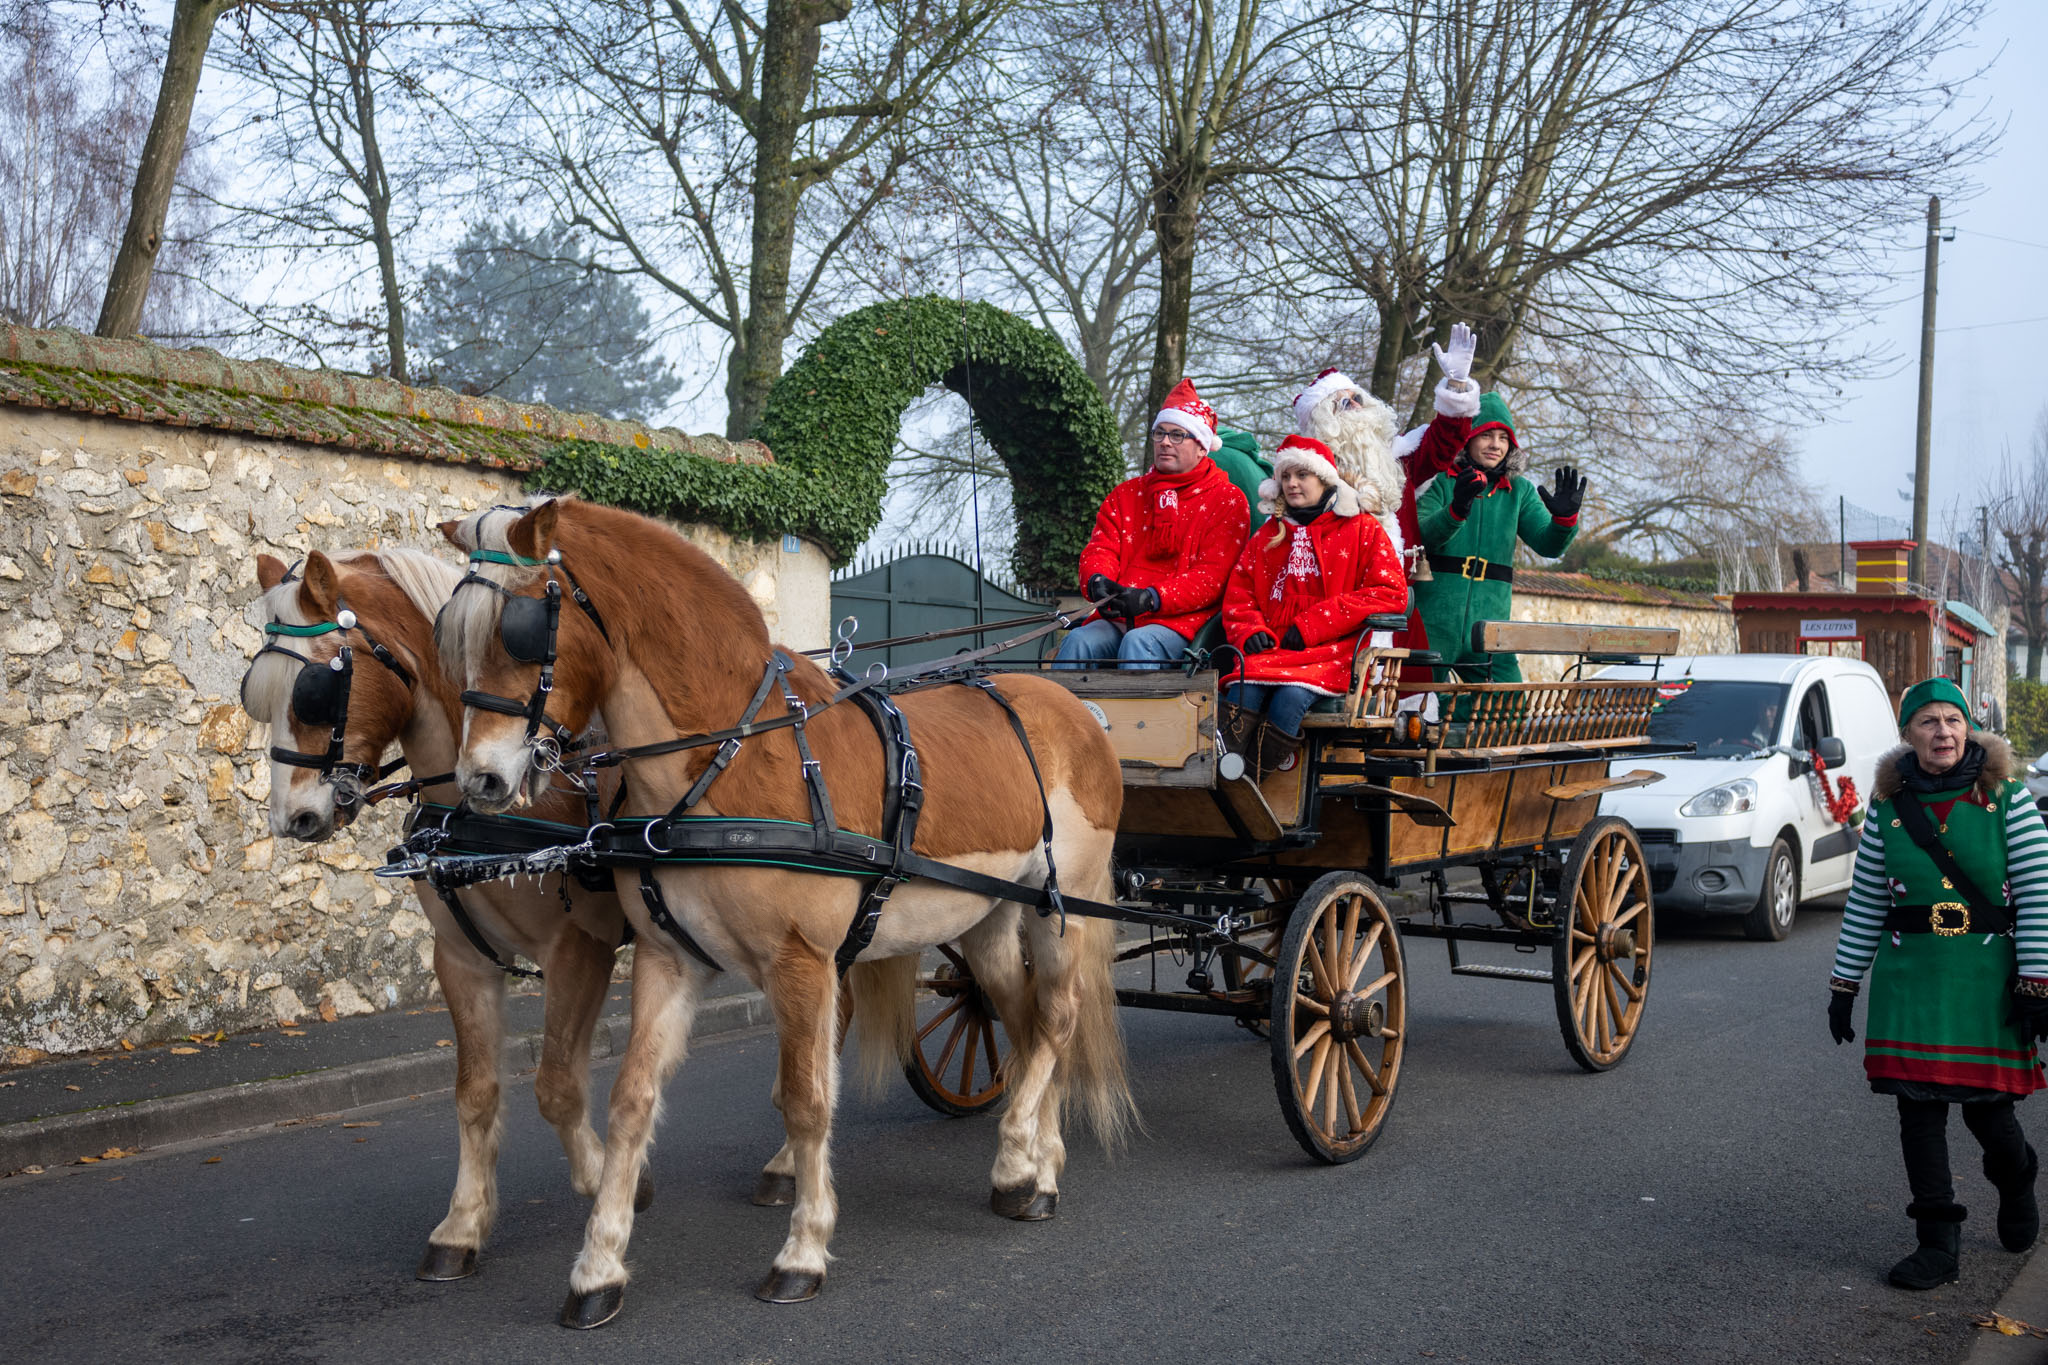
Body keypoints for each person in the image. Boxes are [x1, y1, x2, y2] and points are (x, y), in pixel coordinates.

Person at [1828, 677, 2048, 1290]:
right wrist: (1844, 984)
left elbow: (2037, 896)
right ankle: (1937, 1243)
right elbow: (1868, 899)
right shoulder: (1887, 806)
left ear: (1968, 728)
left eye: (1952, 720)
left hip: (1986, 979)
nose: (1943, 732)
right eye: (1928, 722)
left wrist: (2036, 982)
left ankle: (2018, 1179)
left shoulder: (2007, 798)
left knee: (1989, 1114)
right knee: (1917, 1115)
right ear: (1908, 736)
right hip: (1910, 979)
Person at [1217, 435, 1408, 776]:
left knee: (1290, 696)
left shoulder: (1362, 529)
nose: (1291, 484)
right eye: (1285, 476)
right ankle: (1220, 777)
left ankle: (1253, 781)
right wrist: (1250, 631)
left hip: (1333, 652)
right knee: (1242, 686)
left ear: (1324, 479)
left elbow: (1390, 591)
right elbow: (1239, 594)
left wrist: (1313, 624)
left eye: (1302, 475)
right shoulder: (1268, 535)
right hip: (1272, 651)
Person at [1292, 322, 1481, 652]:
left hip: (1398, 605)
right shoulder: (1309, 477)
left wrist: (1457, 384)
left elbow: (1445, 440)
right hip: (1334, 608)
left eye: (1356, 397)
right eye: (1340, 402)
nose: (1353, 404)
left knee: (1408, 699)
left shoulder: (1399, 458)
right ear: (1322, 422)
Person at [1056, 378, 1250, 669]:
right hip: (1118, 615)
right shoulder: (1125, 494)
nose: (1164, 442)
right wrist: (1097, 580)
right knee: (1078, 641)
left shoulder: (1227, 500)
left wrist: (1153, 598)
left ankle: (1133, 717)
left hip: (1184, 622)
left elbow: (1212, 577)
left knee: (1138, 644)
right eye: (1159, 433)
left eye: (1177, 435)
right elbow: (1101, 549)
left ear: (1201, 446)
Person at [1412, 390, 1585, 682]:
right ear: (1469, 437)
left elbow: (1549, 545)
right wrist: (1456, 510)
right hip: (1434, 621)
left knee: (1507, 712)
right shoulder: (1439, 480)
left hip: (1491, 627)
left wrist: (1564, 520)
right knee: (1417, 707)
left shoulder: (1520, 490)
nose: (1496, 445)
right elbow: (1419, 535)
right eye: (1487, 435)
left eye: (1504, 438)